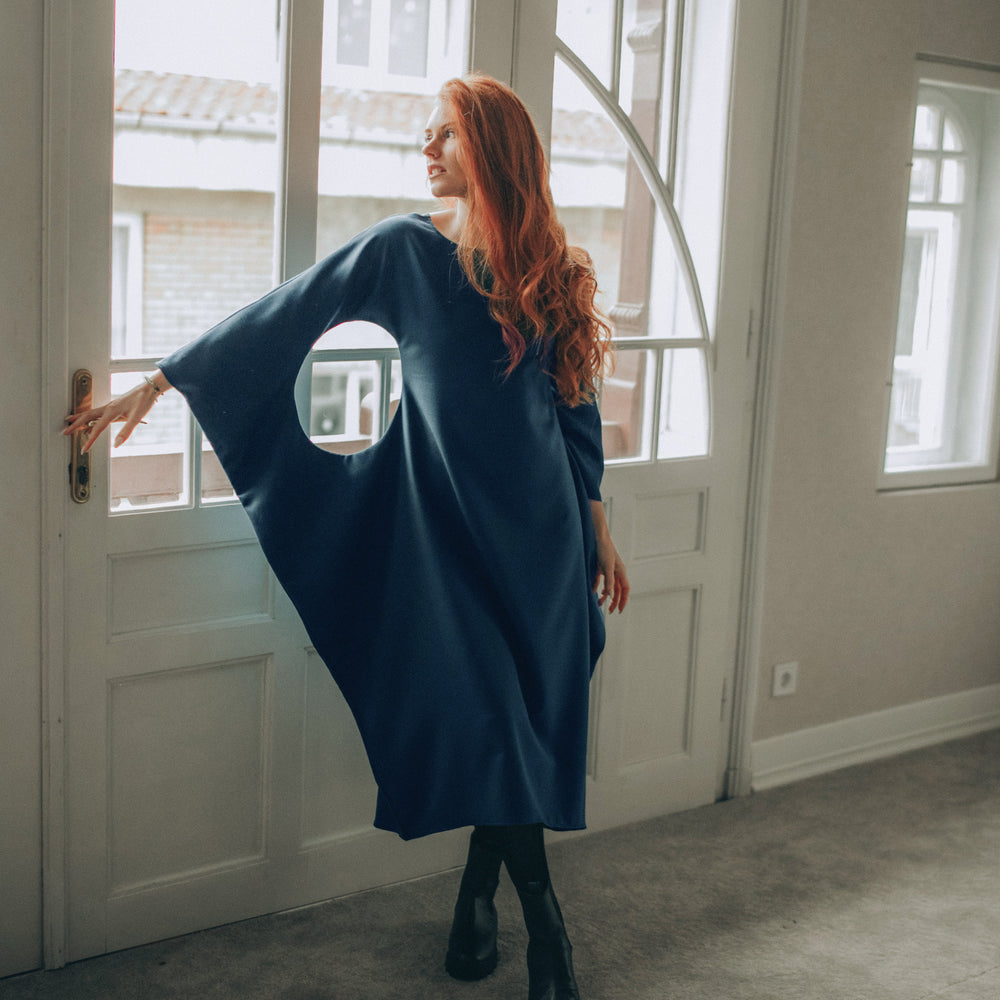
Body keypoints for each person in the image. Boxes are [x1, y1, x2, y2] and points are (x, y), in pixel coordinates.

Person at [66, 72, 629, 1000]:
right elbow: (281, 317)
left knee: (521, 734)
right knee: (493, 726)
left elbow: (574, 408)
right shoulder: (403, 253)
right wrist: (160, 386)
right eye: (428, 134)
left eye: (444, 134)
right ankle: (549, 937)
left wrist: (598, 529)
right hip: (449, 548)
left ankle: (474, 898)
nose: (426, 148)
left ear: (489, 150)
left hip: (545, 546)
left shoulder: (554, 271)